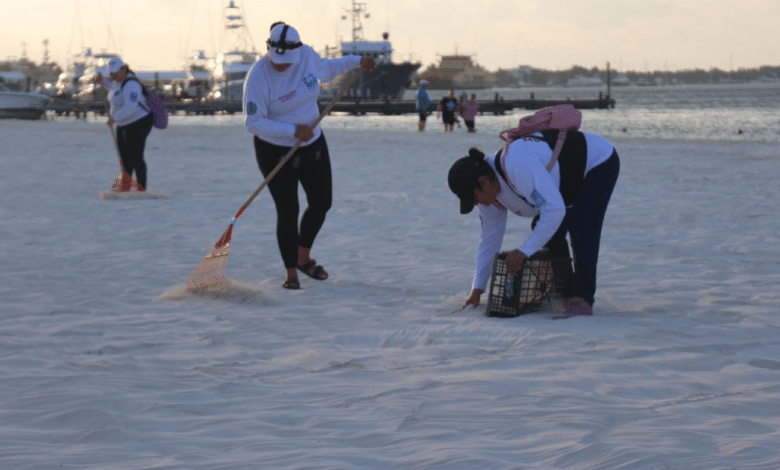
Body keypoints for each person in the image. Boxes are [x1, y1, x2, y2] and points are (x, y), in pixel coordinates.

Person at [243, 22, 376, 290]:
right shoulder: (257, 76)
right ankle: (291, 272)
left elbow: (328, 69)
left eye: (286, 61)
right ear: (269, 48)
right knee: (288, 210)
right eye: (276, 59)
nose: (281, 65)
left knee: (321, 203)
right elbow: (253, 122)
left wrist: (357, 61)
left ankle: (303, 257)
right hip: (275, 149)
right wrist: (292, 131)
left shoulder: (306, 56)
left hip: (312, 141)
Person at [447, 128, 620, 317]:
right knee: (544, 228)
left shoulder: (517, 167)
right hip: (565, 179)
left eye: (474, 198)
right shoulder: (488, 198)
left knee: (581, 225)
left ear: (484, 183)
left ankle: (583, 299)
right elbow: (489, 241)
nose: (477, 204)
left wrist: (524, 251)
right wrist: (477, 288)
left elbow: (554, 210)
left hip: (597, 161)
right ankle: (567, 291)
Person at [96, 57, 153, 191]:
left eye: (115, 73)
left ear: (124, 69)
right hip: (123, 124)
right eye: (111, 74)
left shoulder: (132, 84)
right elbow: (112, 88)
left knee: (136, 156)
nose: (113, 76)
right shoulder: (117, 82)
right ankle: (126, 185)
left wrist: (114, 118)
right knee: (124, 157)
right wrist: (102, 81)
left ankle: (141, 187)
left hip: (139, 122)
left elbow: (131, 106)